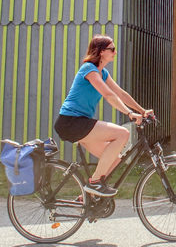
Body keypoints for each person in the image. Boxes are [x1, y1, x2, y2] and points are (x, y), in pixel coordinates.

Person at [54, 34, 154, 197]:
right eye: (112, 49)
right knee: (122, 133)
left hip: (81, 123)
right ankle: (94, 183)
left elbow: (120, 94)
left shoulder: (103, 73)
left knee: (115, 160)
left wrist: (142, 111)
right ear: (101, 52)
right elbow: (108, 95)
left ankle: (87, 197)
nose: (115, 52)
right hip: (70, 122)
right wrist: (129, 113)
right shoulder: (89, 69)